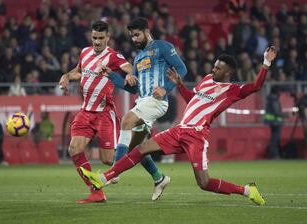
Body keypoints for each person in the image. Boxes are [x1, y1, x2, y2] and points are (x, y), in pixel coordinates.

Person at [81, 46, 278, 206]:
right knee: (141, 148)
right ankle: (104, 179)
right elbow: (192, 99)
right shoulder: (207, 80)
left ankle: (246, 190)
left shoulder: (232, 91)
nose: (213, 70)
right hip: (179, 130)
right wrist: (180, 84)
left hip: (196, 136)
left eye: (218, 68)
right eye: (214, 66)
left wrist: (266, 63)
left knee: (204, 183)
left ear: (228, 72)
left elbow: (256, 86)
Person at [58, 20, 147, 204]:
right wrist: (67, 76)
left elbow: (129, 67)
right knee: (74, 149)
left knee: (108, 160)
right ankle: (96, 192)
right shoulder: (85, 52)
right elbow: (79, 71)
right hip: (85, 112)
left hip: (105, 113)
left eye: (100, 38)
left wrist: (130, 74)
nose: (96, 42)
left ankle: (142, 159)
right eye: (94, 37)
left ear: (108, 38)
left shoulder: (113, 56)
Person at [103, 17, 187, 201]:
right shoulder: (138, 58)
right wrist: (114, 76)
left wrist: (166, 87)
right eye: (132, 36)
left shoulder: (163, 47)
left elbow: (182, 69)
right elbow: (133, 88)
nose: (134, 39)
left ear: (147, 32)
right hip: (142, 102)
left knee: (126, 120)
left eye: (137, 35)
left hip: (158, 101)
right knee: (136, 148)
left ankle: (114, 171)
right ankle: (159, 178)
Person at [263, 86, 287, 159]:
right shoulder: (274, 100)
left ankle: (273, 154)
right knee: (275, 139)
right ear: (276, 92)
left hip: (271, 122)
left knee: (274, 139)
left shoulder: (270, 99)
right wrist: (287, 115)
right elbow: (277, 112)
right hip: (276, 122)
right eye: (279, 91)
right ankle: (274, 155)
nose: (280, 93)